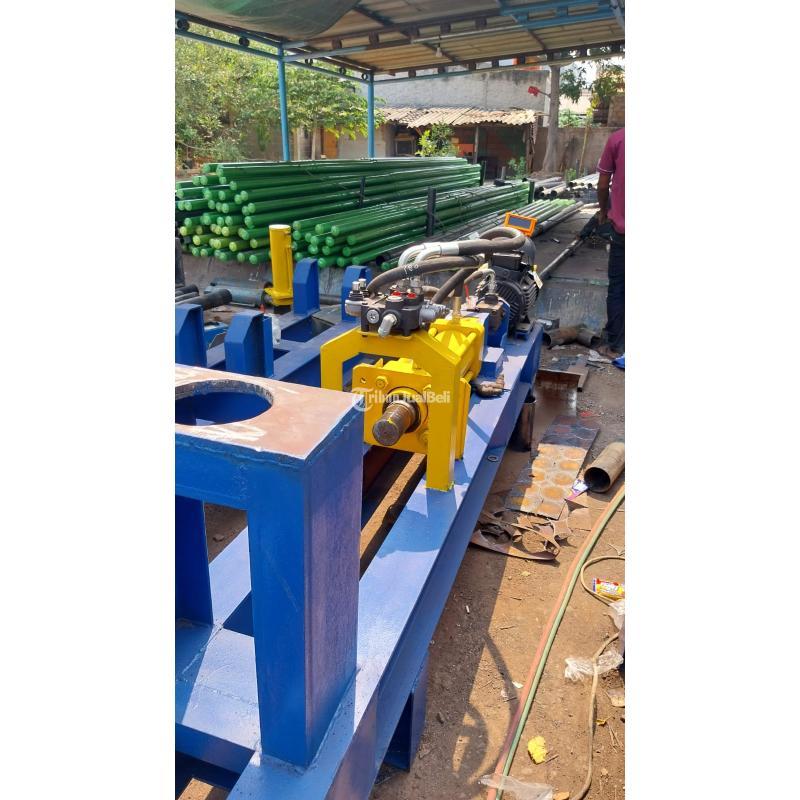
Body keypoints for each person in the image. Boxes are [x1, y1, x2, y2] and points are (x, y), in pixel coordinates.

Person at [596, 127, 625, 357]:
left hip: (623, 233)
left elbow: (603, 184)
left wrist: (603, 211)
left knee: (618, 288)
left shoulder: (618, 139)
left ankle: (616, 344)